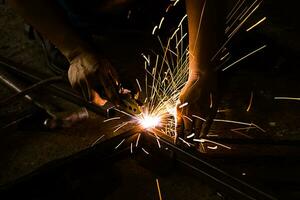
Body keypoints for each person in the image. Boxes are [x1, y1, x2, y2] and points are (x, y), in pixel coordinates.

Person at [8, 0, 223, 141]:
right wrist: (74, 51)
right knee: (88, 72)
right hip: (74, 11)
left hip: (151, 7)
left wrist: (201, 71)